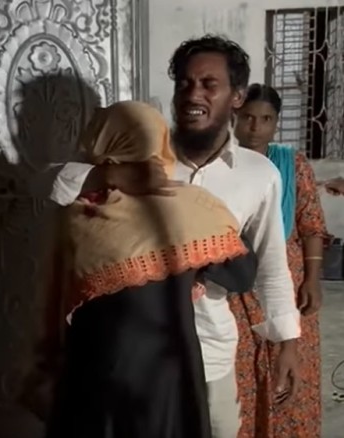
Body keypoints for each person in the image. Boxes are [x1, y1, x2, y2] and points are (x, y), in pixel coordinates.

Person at [49, 35, 301, 437]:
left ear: (237, 97)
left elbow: (271, 263)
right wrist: (114, 175)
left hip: (211, 356)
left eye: (208, 84)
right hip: (128, 362)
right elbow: (52, 184)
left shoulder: (259, 174)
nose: (193, 94)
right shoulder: (140, 154)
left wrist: (286, 341)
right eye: (184, 83)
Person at [41, 100, 258, 438]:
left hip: (95, 366)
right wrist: (195, 263)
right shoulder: (192, 207)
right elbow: (242, 275)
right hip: (168, 369)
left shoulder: (79, 211)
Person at [233, 83, 328, 437]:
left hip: (289, 281)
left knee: (291, 364)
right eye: (248, 117)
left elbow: (311, 225)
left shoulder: (292, 165)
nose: (256, 127)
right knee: (244, 367)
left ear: (276, 123)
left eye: (266, 119)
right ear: (235, 118)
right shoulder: (222, 164)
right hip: (237, 285)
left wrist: (312, 279)